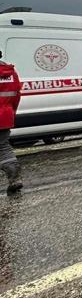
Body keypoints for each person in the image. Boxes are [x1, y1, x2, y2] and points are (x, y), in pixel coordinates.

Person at [0, 49, 23, 195]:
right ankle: (15, 179)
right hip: (5, 114)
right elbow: (16, 95)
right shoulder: (10, 72)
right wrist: (11, 111)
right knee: (3, 147)